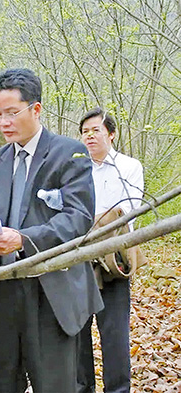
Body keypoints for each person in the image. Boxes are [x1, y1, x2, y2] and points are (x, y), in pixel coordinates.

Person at [0, 68, 104, 392]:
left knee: (54, 384)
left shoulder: (69, 153)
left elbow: (78, 217)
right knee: (4, 382)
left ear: (35, 109)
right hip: (1, 292)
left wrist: (24, 240)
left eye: (12, 113)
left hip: (50, 290)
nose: (4, 122)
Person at [77, 108, 144, 393]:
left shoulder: (129, 166)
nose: (90, 136)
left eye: (96, 130)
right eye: (85, 131)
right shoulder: (77, 168)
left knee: (114, 332)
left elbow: (126, 211)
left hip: (113, 258)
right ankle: (82, 388)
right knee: (78, 332)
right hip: (78, 258)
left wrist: (88, 219)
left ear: (111, 134)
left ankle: (118, 389)